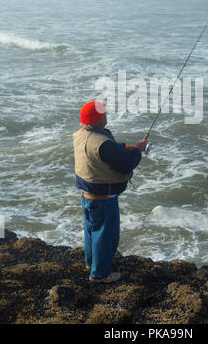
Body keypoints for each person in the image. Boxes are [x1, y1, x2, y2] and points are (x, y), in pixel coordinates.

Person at [73, 100, 147, 283]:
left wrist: (124, 147)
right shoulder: (103, 144)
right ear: (99, 119)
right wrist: (138, 151)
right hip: (103, 199)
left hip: (87, 195)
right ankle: (100, 274)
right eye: (104, 113)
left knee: (92, 231)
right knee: (106, 237)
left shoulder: (80, 134)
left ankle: (91, 264)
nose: (106, 116)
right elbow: (127, 164)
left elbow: (108, 150)